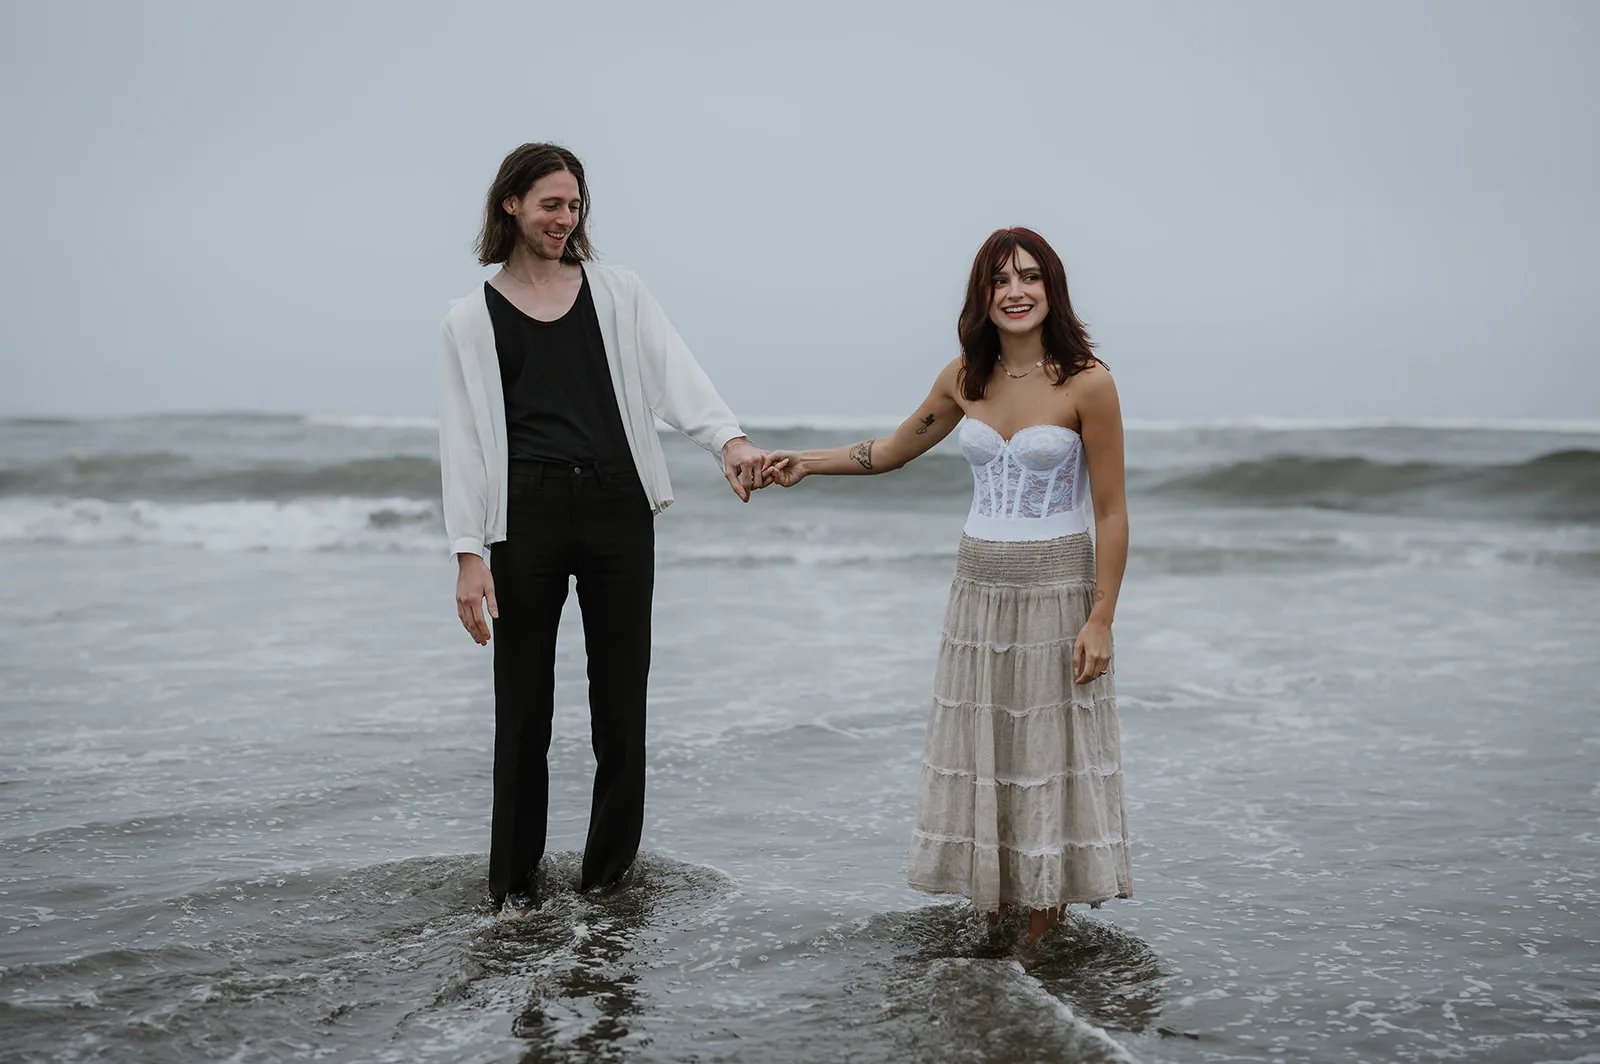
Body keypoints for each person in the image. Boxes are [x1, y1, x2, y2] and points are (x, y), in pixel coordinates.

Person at [764, 227, 1132, 950]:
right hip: (977, 588)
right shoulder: (964, 377)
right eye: (1001, 280)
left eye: (1030, 277)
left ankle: (1041, 925)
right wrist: (804, 462)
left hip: (1057, 586)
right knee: (984, 746)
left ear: (1051, 288)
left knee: (1046, 752)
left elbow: (1113, 510)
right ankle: (992, 910)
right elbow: (891, 451)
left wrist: (1102, 617)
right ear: (983, 296)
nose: (1016, 291)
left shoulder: (1088, 380)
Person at [438, 143, 772, 912]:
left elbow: (674, 374)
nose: (565, 218)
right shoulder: (469, 320)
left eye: (575, 205)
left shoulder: (618, 293)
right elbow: (462, 442)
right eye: (550, 204)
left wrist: (729, 440)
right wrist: (467, 551)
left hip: (620, 508)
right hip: (524, 516)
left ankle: (605, 882)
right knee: (524, 710)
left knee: (621, 703)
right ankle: (513, 891)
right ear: (510, 206)